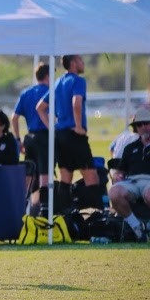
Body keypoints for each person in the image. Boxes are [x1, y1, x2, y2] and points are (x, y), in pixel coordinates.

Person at [36, 54, 102, 212]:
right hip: (74, 135)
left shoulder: (58, 82)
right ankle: (98, 217)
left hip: (60, 136)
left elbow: (40, 107)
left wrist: (52, 128)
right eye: (80, 60)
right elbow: (76, 102)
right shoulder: (78, 81)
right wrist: (79, 126)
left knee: (66, 178)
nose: (83, 62)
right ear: (73, 63)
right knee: (91, 176)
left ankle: (64, 217)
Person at [109, 107, 150, 242]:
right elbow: (120, 170)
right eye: (138, 125)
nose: (142, 127)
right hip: (133, 182)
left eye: (146, 123)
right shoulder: (131, 147)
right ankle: (137, 227)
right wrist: (117, 176)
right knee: (114, 192)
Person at [11, 63, 50, 210]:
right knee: (45, 175)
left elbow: (14, 118)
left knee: (29, 174)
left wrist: (18, 139)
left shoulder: (26, 93)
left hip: (29, 138)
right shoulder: (50, 93)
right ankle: (43, 210)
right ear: (47, 76)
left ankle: (23, 207)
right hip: (44, 137)